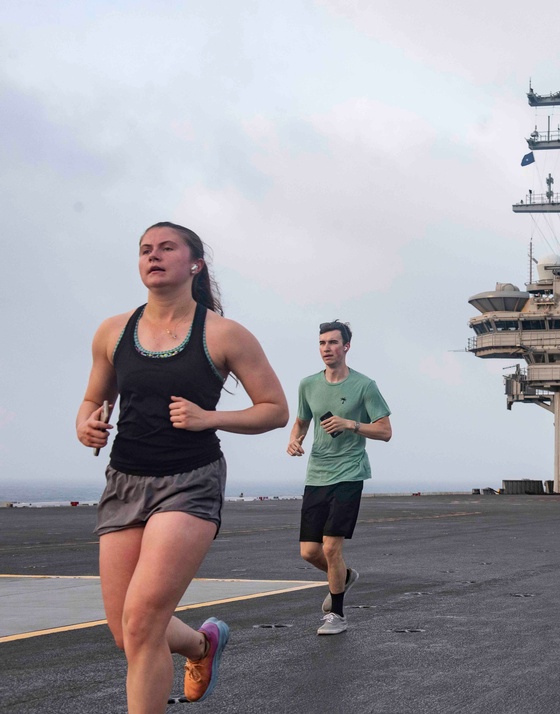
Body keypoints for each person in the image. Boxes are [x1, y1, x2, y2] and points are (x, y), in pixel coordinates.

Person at [75, 221, 288, 712]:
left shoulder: (223, 334)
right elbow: (93, 398)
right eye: (146, 249)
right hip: (124, 480)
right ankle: (202, 645)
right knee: (124, 631)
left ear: (195, 264)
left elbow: (274, 409)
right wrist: (87, 424)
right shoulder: (113, 330)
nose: (154, 255)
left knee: (143, 622)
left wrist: (208, 417)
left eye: (167, 248)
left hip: (190, 481)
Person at [287, 320, 392, 635]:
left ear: (346, 346)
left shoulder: (364, 386)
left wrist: (351, 424)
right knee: (309, 551)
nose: (327, 349)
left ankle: (337, 616)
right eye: (322, 343)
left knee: (332, 548)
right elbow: (301, 421)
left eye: (333, 342)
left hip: (349, 472)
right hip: (317, 473)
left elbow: (385, 432)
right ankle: (343, 577)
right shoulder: (308, 384)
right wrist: (295, 439)